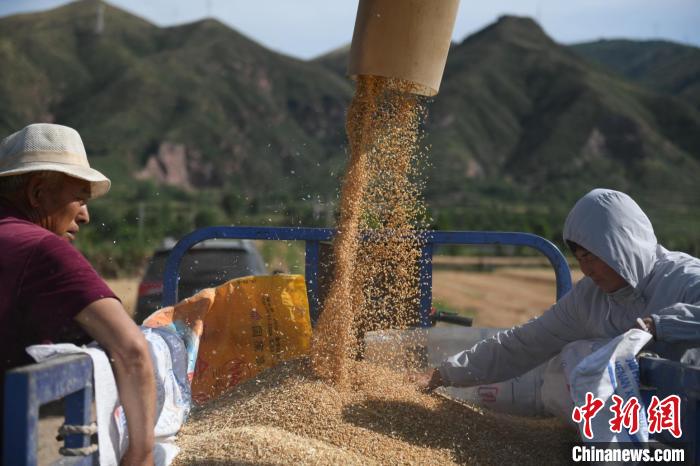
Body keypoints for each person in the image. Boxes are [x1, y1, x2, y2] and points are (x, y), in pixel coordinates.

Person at [418, 188, 700, 391]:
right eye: (579, 259)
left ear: (621, 248)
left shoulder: (683, 278)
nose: (586, 270)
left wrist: (660, 324)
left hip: (689, 415)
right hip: (640, 431)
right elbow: (524, 343)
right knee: (572, 358)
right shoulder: (589, 299)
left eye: (591, 256)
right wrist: (442, 374)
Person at [0, 123, 156, 465]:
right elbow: (131, 350)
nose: (85, 215)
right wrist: (141, 453)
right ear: (37, 193)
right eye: (80, 199)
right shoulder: (41, 248)